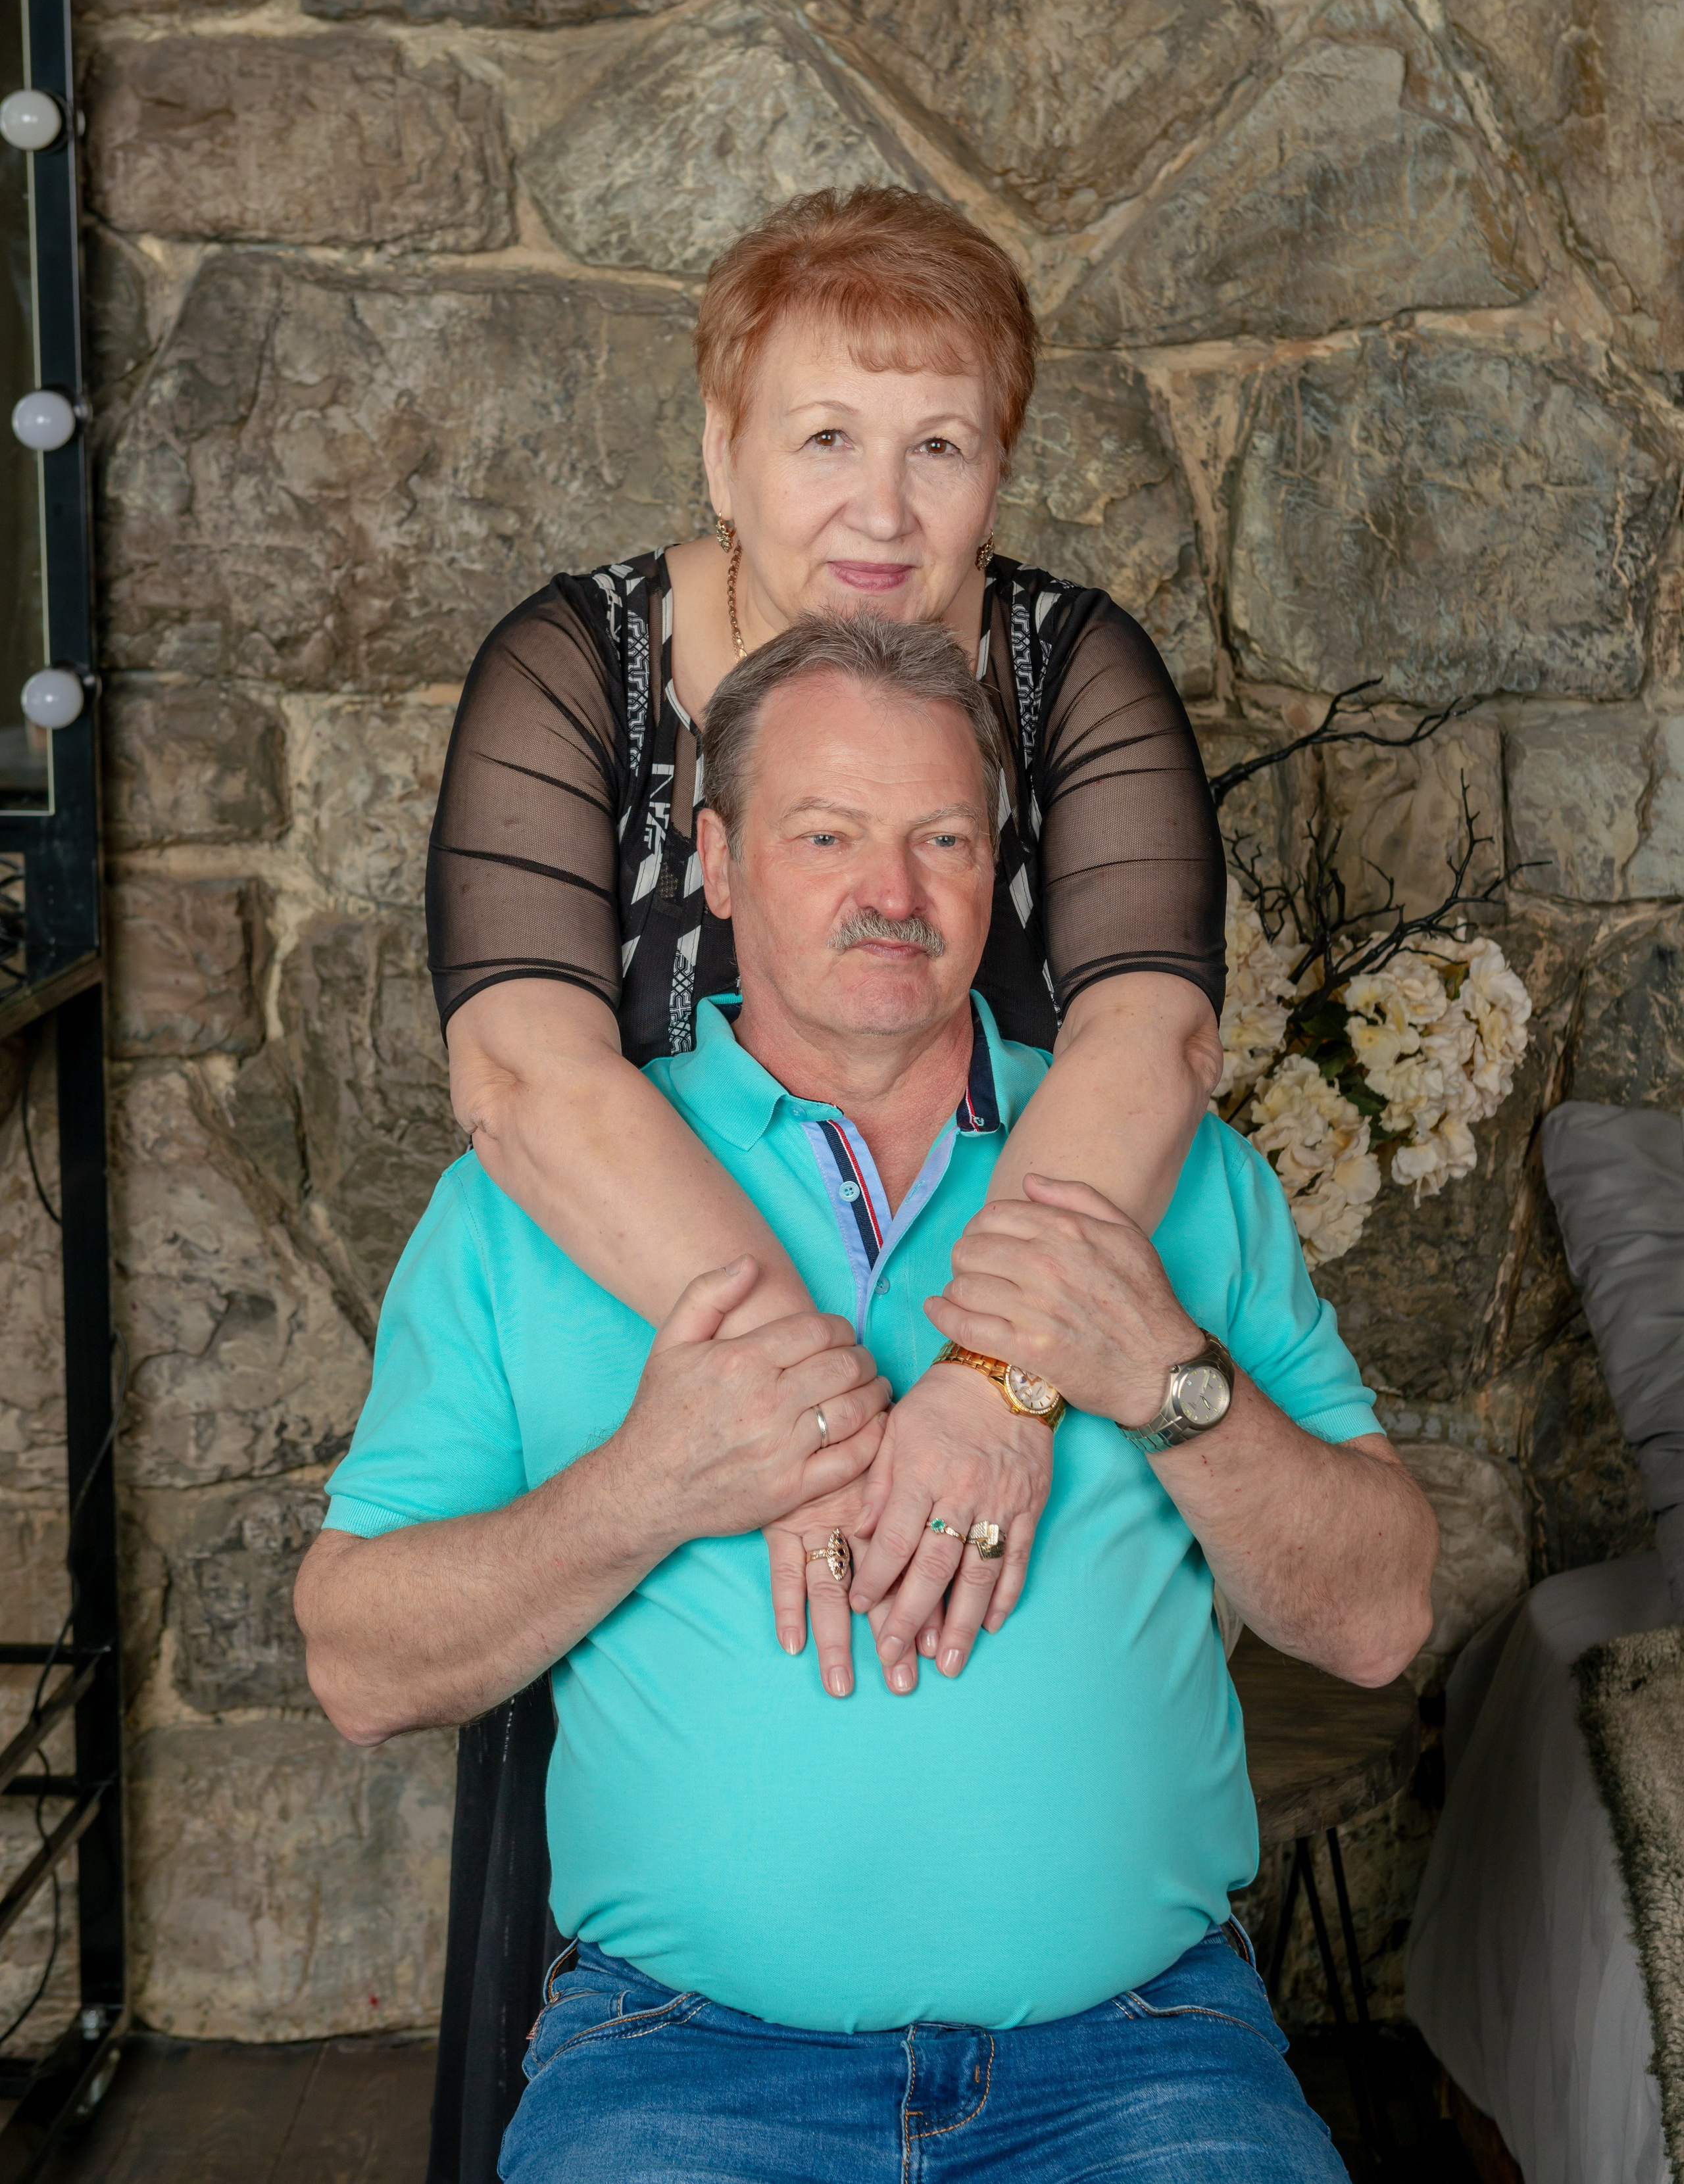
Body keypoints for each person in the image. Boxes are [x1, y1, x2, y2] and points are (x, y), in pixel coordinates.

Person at [301, 616, 1438, 2184]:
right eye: (823, 832)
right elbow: (355, 1658)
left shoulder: (1170, 1171)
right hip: (679, 2063)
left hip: (1142, 2056)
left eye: (941, 838)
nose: (889, 893)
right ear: (713, 859)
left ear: (1001, 868)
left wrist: (1167, 1386)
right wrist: (643, 1484)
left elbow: (1380, 1615)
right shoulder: (533, 1201)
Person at [424, 188, 1230, 2168]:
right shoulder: (574, 665)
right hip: (665, 1348)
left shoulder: (1074, 666)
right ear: (720, 445)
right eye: (825, 435)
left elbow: (1150, 1041)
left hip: (994, 1317)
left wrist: (997, 1378)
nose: (883, 501)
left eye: (940, 442)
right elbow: (527, 1069)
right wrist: (789, 1390)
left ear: (1000, 466)